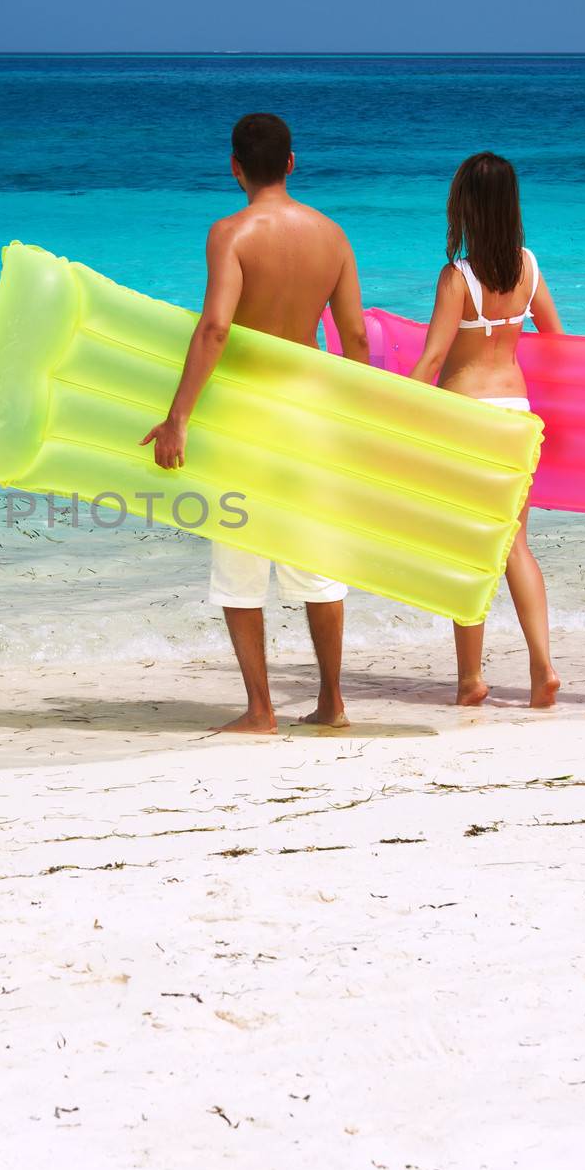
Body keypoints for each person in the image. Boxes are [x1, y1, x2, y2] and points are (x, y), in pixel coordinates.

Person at [142, 114, 370, 733]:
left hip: (246, 416)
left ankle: (262, 709)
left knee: (240, 561)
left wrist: (177, 416)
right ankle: (331, 702)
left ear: (235, 166)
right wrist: (355, 418)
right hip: (311, 414)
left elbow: (216, 327)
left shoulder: (230, 233)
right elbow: (353, 338)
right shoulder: (332, 236)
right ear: (292, 163)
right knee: (317, 564)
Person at [407, 151, 564, 708]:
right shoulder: (528, 267)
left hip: (467, 419)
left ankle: (471, 677)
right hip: (518, 416)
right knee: (516, 545)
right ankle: (542, 665)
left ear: (465, 207)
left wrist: (394, 418)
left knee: (467, 550)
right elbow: (557, 341)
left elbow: (431, 361)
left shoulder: (458, 278)